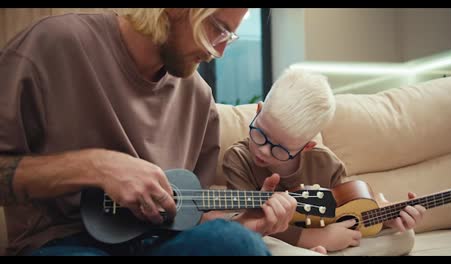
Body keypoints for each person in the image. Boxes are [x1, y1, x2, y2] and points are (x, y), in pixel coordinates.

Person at [0, 8, 298, 256]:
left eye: (228, 37)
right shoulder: (55, 44)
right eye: (216, 28)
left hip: (159, 244)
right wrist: (95, 166)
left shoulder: (198, 98)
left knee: (236, 243)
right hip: (61, 242)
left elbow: (188, 214)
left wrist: (244, 226)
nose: (218, 52)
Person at [222, 68, 427, 253]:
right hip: (273, 240)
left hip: (329, 240)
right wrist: (308, 238)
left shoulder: (327, 163)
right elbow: (243, 225)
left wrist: (386, 218)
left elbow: (348, 215)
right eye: (260, 133)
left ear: (307, 147)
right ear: (258, 111)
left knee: (403, 238)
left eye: (281, 149)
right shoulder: (238, 158)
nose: (264, 151)